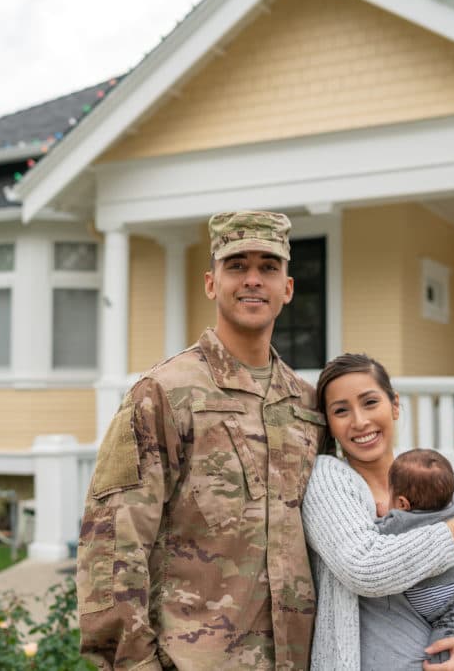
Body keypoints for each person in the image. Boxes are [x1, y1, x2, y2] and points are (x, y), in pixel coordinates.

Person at [76, 211, 325, 670]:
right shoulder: (162, 394)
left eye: (268, 267)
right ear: (211, 283)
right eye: (237, 266)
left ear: (287, 289)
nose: (253, 280)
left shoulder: (307, 407)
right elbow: (112, 545)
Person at [302, 354, 454, 670]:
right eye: (341, 410)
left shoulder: (443, 484)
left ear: (394, 405)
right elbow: (365, 568)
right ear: (330, 422)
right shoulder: (329, 478)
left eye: (369, 402)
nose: (359, 421)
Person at [376, 449, 454, 665]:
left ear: (403, 504)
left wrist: (385, 514)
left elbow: (374, 539)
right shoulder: (453, 514)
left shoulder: (399, 523)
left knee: (441, 662)